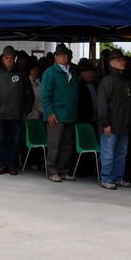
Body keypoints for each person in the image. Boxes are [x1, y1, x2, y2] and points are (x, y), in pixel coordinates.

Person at [0, 45, 33, 175]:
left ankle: (12, 166)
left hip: (16, 115)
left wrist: (26, 112)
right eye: (7, 57)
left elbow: (29, 95)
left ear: (15, 58)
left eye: (12, 57)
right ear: (2, 58)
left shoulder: (21, 73)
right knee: (1, 141)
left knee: (14, 141)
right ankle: (2, 165)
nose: (10, 59)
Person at [41, 43, 80, 182]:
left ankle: (63, 170)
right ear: (55, 57)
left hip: (69, 114)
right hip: (56, 114)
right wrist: (49, 113)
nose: (63, 57)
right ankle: (52, 171)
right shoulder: (50, 72)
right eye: (60, 55)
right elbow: (45, 95)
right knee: (54, 145)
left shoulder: (72, 72)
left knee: (67, 145)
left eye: (65, 54)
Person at [97, 49, 131, 189]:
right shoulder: (107, 81)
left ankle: (118, 177)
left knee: (121, 153)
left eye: (123, 60)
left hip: (123, 124)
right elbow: (102, 104)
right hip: (111, 124)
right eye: (119, 60)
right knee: (108, 153)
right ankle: (106, 178)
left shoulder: (126, 81)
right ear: (111, 63)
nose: (123, 62)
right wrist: (105, 123)